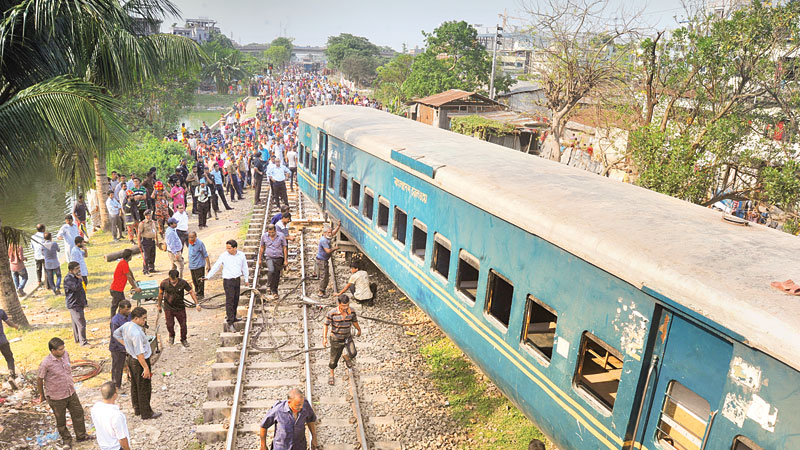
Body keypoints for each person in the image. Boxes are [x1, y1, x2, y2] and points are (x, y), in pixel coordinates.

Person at [36, 337, 92, 445]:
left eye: (63, 348)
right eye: (60, 349)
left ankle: (81, 435)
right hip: (56, 397)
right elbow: (39, 379)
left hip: (70, 392)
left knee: (78, 413)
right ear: (53, 351)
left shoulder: (65, 354)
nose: (63, 350)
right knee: (60, 420)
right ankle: (67, 440)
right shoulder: (46, 363)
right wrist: (42, 395)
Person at [113, 307, 161, 419]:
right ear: (136, 318)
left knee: (135, 385)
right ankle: (146, 413)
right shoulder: (136, 333)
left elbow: (116, 334)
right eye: (143, 319)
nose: (145, 321)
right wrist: (145, 368)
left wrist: (126, 344)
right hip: (139, 361)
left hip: (131, 359)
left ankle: (137, 408)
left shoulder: (127, 325)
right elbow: (140, 354)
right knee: (144, 387)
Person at [204, 240, 249, 332]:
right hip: (228, 281)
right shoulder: (224, 256)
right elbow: (216, 266)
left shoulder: (241, 255)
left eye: (229, 248)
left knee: (236, 299)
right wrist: (208, 276)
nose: (227, 250)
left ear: (235, 248)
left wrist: (246, 279)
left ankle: (234, 316)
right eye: (227, 248)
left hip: (237, 279)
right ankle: (230, 322)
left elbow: (245, 267)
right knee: (230, 300)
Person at [322, 295, 361, 385]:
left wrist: (359, 329)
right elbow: (326, 324)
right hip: (336, 339)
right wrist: (324, 338)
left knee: (353, 353)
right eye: (343, 305)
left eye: (347, 305)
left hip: (347, 337)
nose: (346, 307)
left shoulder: (352, 311)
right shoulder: (332, 313)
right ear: (339, 304)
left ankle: (345, 356)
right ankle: (331, 374)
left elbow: (355, 321)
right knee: (333, 360)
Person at [157, 269, 201, 347]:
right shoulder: (164, 283)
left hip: (180, 307)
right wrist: (159, 305)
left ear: (178, 277)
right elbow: (160, 294)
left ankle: (183, 339)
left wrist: (197, 304)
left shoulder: (183, 283)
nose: (173, 282)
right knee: (169, 324)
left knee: (183, 324)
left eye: (174, 280)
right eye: (171, 279)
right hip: (168, 307)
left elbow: (191, 292)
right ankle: (171, 336)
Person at [91, 382, 131, 450]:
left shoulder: (95, 408)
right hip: (116, 447)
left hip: (103, 446)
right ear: (115, 395)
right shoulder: (116, 415)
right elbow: (122, 438)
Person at [259, 224, 288, 299]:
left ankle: (274, 291)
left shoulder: (281, 236)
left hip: (279, 257)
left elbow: (284, 248)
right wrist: (259, 259)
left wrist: (285, 260)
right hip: (269, 257)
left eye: (273, 232)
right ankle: (269, 285)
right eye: (270, 232)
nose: (271, 234)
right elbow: (262, 247)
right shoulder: (264, 236)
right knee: (271, 270)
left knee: (276, 275)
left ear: (275, 231)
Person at [109, 249, 141, 317]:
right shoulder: (123, 263)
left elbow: (130, 272)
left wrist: (134, 281)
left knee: (120, 304)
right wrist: (135, 288)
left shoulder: (124, 262)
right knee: (119, 305)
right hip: (116, 289)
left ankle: (118, 317)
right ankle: (114, 318)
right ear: (129, 256)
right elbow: (128, 276)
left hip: (118, 289)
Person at [64, 262, 89, 346]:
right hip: (74, 304)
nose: (79, 270)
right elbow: (76, 288)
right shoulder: (68, 279)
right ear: (71, 270)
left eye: (79, 268)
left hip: (79, 302)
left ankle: (78, 339)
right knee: (81, 323)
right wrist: (80, 279)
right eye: (76, 269)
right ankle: (83, 342)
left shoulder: (76, 277)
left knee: (76, 322)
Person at [109, 300, 131, 389]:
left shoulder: (129, 316)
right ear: (121, 309)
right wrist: (124, 348)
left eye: (129, 309)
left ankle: (130, 378)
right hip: (117, 348)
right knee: (117, 368)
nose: (128, 311)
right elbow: (116, 337)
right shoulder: (115, 321)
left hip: (128, 345)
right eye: (127, 309)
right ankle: (116, 386)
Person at [315, 223, 340, 297]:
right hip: (322, 261)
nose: (330, 233)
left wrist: (338, 226)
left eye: (330, 232)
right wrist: (335, 248)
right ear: (325, 233)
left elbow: (333, 233)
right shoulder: (324, 240)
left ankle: (322, 290)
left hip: (323, 260)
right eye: (329, 232)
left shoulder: (327, 236)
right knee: (324, 276)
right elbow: (328, 251)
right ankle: (321, 292)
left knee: (325, 275)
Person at [188, 232, 211, 298]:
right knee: (194, 281)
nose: (190, 238)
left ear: (195, 237)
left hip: (199, 266)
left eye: (192, 237)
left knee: (200, 281)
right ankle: (197, 292)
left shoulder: (200, 244)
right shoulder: (189, 243)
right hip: (192, 266)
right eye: (189, 237)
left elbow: (205, 255)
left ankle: (201, 294)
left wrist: (208, 265)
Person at [0, 308, 19, 384]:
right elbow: (9, 323)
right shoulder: (1, 312)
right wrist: (15, 326)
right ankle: (11, 376)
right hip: (2, 341)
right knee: (9, 358)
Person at [137, 209, 159, 275]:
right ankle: (145, 270)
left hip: (152, 240)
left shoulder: (153, 222)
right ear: (146, 216)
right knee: (146, 256)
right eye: (148, 215)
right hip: (146, 241)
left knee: (153, 255)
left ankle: (151, 268)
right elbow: (139, 234)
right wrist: (139, 243)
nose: (150, 216)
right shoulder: (142, 224)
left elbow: (155, 231)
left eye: (150, 215)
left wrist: (157, 241)